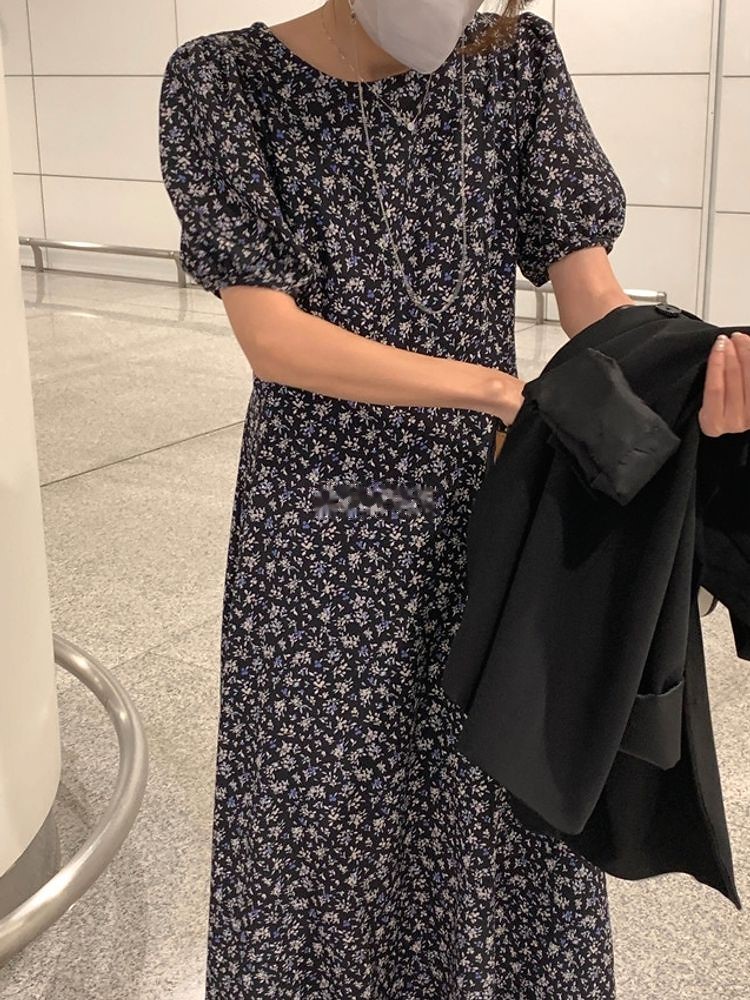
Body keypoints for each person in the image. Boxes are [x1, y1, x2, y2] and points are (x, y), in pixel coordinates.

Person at [157, 2, 750, 996]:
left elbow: (590, 290)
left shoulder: (512, 58)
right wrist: (492, 389)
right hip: (320, 516)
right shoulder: (221, 81)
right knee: (327, 803)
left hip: (492, 507)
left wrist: (695, 367)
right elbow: (273, 336)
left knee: (495, 784)